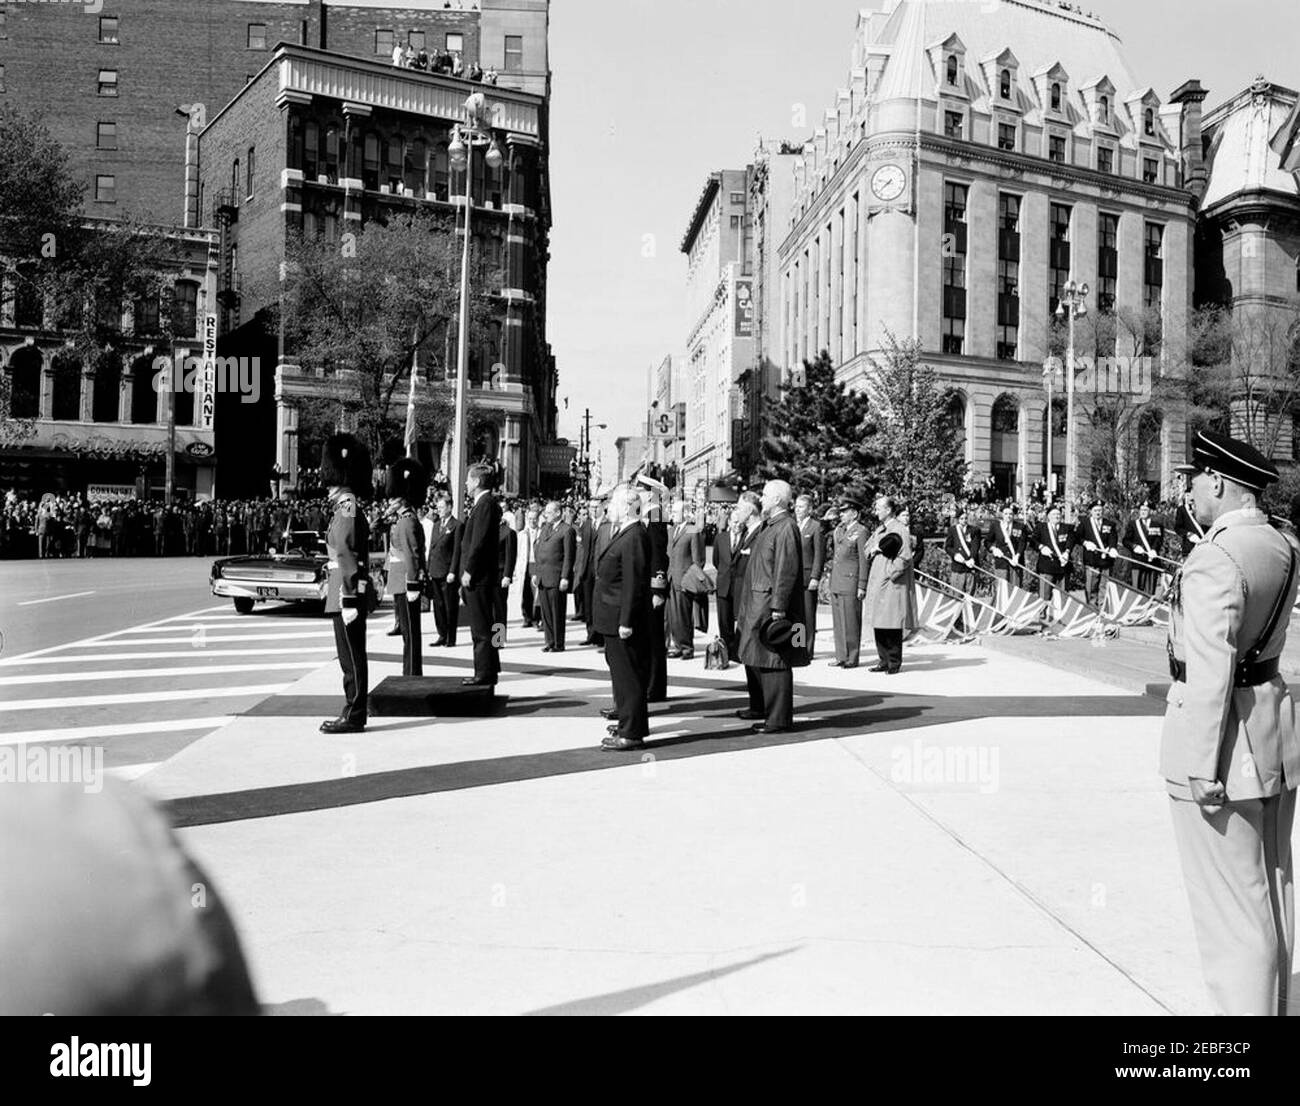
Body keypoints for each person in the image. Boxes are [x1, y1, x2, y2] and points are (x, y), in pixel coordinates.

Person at [1164, 430, 1300, 1016]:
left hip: (1224, 750)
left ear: (1217, 482)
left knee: (1231, 918)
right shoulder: (1284, 544)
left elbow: (1210, 671)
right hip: (1271, 732)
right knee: (1272, 896)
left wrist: (1199, 764)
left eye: (1193, 479)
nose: (1189, 491)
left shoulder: (1215, 557)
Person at [735, 481, 802, 734]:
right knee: (764, 660)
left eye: (764, 495)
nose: (761, 499)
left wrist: (779, 608)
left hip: (770, 607)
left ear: (776, 500)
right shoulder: (772, 526)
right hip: (759, 603)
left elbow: (786, 571)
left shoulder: (785, 527)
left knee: (776, 661)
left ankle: (778, 719)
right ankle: (770, 713)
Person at [319, 433, 371, 734]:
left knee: (352, 655)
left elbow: (348, 552)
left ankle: (354, 712)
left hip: (346, 589)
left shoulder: (347, 505)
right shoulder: (343, 506)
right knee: (346, 654)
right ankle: (352, 708)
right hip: (340, 586)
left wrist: (350, 598)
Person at [596, 486, 653, 751]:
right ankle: (627, 722)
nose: (610, 509)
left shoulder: (634, 536)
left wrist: (626, 621)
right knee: (621, 675)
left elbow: (634, 583)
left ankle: (631, 732)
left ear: (628, 506)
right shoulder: (625, 532)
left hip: (623, 618)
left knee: (628, 676)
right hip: (613, 614)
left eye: (615, 504)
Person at [384, 457, 428, 677]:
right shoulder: (402, 519)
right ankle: (410, 670)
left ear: (402, 498)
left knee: (410, 632)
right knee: (407, 632)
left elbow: (411, 555)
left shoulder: (406, 521)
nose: (390, 500)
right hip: (401, 579)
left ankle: (411, 673)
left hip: (405, 580)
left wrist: (412, 583)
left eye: (393, 497)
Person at [459, 463, 502, 688]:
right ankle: (488, 669)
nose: (466, 483)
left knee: (481, 629)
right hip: (480, 576)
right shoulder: (483, 504)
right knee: (482, 626)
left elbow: (479, 542)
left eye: (468, 479)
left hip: (480, 577)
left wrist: (469, 570)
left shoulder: (485, 503)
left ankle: (483, 672)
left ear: (477, 482)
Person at [864, 495, 915, 674]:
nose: (875, 511)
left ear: (888, 510)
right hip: (877, 580)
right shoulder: (879, 529)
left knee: (891, 622)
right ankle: (883, 660)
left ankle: (894, 662)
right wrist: (872, 550)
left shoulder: (900, 529)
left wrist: (890, 573)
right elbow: (867, 548)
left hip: (891, 583)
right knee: (879, 621)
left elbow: (905, 557)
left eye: (878, 508)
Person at [826, 500, 869, 669]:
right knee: (838, 622)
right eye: (841, 512)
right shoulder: (839, 530)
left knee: (851, 621)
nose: (841, 515)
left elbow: (863, 560)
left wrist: (862, 585)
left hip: (851, 581)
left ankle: (852, 657)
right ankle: (841, 655)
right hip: (837, 580)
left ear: (855, 513)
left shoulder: (861, 531)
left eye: (845, 512)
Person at [533, 500, 575, 652]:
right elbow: (539, 551)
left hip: (556, 576)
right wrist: (536, 573)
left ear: (558, 513)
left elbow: (569, 556)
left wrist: (565, 576)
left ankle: (558, 643)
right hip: (543, 576)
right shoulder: (545, 528)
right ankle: (549, 641)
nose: (546, 515)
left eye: (549, 512)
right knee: (546, 612)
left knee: (557, 611)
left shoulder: (567, 530)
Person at [666, 499, 705, 660]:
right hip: (670, 578)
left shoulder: (692, 530)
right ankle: (677, 645)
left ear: (685, 513)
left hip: (684, 580)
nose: (672, 514)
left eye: (676, 512)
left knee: (683, 615)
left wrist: (690, 579)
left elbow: (698, 560)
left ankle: (687, 647)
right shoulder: (671, 530)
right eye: (672, 511)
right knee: (672, 615)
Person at [426, 492, 460, 647]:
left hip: (447, 572)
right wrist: (427, 568)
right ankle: (441, 634)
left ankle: (450, 638)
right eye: (437, 507)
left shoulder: (457, 525)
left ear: (449, 507)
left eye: (441, 507)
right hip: (435, 569)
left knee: (449, 606)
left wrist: (453, 571)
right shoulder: (436, 525)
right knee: (438, 605)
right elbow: (432, 548)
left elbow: (457, 551)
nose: (438, 510)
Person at [794, 494, 825, 660]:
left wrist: (815, 577)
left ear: (809, 509)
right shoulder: (793, 525)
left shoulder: (815, 527)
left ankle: (807, 649)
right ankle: (797, 646)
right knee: (795, 615)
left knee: (807, 615)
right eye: (796, 506)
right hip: (793, 578)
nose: (797, 510)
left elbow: (819, 555)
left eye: (801, 507)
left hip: (807, 578)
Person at [1074, 500, 1119, 606]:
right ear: (1091, 511)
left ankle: (1103, 606)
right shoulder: (1085, 523)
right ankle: (1092, 607)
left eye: (1100, 510)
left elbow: (1113, 538)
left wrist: (1112, 548)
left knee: (1105, 585)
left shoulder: (1109, 524)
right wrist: (1085, 543)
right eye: (1095, 510)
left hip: (1106, 560)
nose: (1098, 512)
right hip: (1091, 559)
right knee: (1091, 585)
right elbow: (1077, 537)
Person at [713, 507, 739, 656]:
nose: (737, 525)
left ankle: (738, 649)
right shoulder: (720, 538)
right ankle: (727, 650)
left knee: (739, 620)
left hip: (739, 585)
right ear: (729, 522)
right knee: (724, 620)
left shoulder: (746, 537)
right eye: (734, 522)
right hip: (723, 584)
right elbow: (716, 560)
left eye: (739, 522)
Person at [1033, 505, 1073, 603]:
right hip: (1047, 566)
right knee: (1044, 595)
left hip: (1063, 566)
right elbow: (1033, 540)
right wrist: (1041, 547)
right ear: (1048, 516)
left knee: (1062, 596)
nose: (1057, 516)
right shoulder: (1041, 527)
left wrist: (1067, 552)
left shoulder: (1067, 527)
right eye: (1054, 514)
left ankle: (1061, 617)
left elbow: (1071, 540)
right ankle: (1042, 616)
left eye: (1058, 514)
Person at [579, 498, 606, 645]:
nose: (594, 510)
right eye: (591, 508)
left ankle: (601, 636)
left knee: (600, 602)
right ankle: (590, 634)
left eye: (596, 507)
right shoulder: (587, 524)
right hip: (587, 568)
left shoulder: (606, 524)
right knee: (588, 603)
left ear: (602, 508)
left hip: (600, 568)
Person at [1123, 502, 1165, 594]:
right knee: (1137, 592)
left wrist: (1154, 549)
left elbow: (1159, 540)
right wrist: (1134, 547)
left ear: (1150, 511)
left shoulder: (1157, 525)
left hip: (1152, 561)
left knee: (1150, 591)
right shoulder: (1133, 524)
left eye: (1145, 510)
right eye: (1141, 510)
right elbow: (1125, 541)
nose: (1143, 512)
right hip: (1138, 561)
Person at [493, 505, 518, 642]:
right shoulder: (487, 529)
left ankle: (499, 638)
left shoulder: (508, 532)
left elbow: (510, 556)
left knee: (499, 608)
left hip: (501, 574)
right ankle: (490, 636)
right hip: (487, 574)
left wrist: (507, 575)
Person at [988, 503, 1026, 588]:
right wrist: (993, 549)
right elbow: (987, 541)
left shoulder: (1020, 526)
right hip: (1001, 561)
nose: (1008, 516)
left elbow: (1022, 543)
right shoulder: (996, 526)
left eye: (1010, 514)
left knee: (1016, 588)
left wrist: (1018, 555)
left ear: (1014, 515)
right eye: (1006, 514)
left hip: (1016, 561)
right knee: (1001, 589)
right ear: (1002, 514)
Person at [945, 506, 980, 594]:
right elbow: (948, 547)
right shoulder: (952, 530)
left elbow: (975, 546)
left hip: (970, 566)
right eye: (961, 518)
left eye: (965, 518)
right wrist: (955, 555)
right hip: (958, 567)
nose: (964, 520)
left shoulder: (974, 530)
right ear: (957, 519)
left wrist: (972, 558)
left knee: (970, 594)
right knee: (957, 594)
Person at [518, 502, 542, 628]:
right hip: (526, 565)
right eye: (530, 519)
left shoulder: (542, 533)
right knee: (525, 592)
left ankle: (536, 618)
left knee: (537, 594)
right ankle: (526, 617)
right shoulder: (522, 534)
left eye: (535, 519)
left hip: (536, 565)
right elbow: (518, 552)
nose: (533, 521)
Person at [1175, 489, 1205, 557]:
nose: (1189, 497)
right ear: (1184, 497)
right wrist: (1188, 534)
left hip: (1203, 543)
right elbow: (1178, 528)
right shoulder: (1181, 510)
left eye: (1191, 495)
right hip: (1189, 546)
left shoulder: (1200, 508)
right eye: (1187, 495)